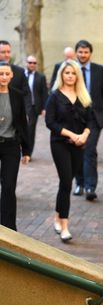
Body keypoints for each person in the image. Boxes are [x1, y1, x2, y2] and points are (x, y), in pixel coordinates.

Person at [45, 60, 93, 242]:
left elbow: (91, 120)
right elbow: (50, 122)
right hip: (60, 143)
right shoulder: (54, 96)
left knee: (67, 182)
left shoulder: (83, 96)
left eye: (73, 73)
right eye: (67, 73)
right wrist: (72, 135)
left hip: (79, 144)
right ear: (62, 75)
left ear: (77, 76)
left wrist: (85, 135)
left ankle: (57, 215)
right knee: (66, 181)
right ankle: (64, 225)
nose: (70, 76)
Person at [73, 40, 103, 201]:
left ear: (90, 53)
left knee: (89, 150)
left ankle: (90, 186)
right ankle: (79, 183)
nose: (83, 55)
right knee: (78, 150)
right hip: (75, 117)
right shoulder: (70, 69)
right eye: (80, 52)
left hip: (94, 117)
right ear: (76, 52)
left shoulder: (99, 70)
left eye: (85, 52)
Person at [0, 61, 31, 231]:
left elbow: (22, 123)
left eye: (6, 74)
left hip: (11, 146)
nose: (3, 77)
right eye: (0, 74)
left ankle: (8, 227)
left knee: (9, 186)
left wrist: (26, 150)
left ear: (11, 76)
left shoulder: (17, 95)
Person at [24, 55, 48, 156]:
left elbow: (44, 93)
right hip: (21, 107)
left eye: (34, 63)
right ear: (26, 63)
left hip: (34, 107)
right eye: (30, 62)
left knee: (31, 130)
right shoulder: (20, 75)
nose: (32, 65)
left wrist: (44, 108)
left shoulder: (41, 77)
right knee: (20, 129)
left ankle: (28, 153)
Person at [0, 41, 32, 116]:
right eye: (3, 52)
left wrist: (26, 113)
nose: (7, 55)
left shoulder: (19, 72)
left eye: (8, 52)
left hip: (15, 117)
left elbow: (26, 94)